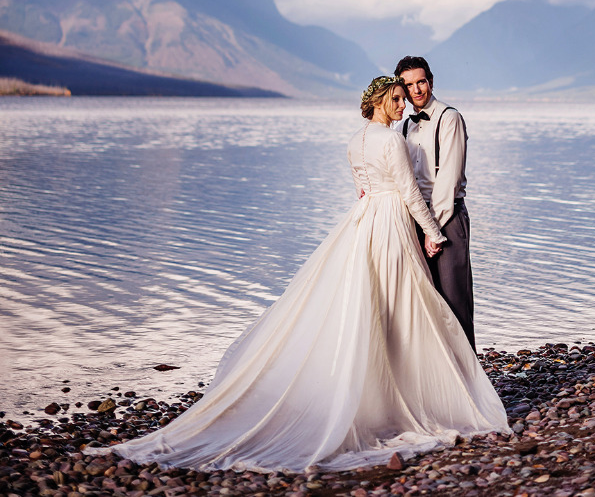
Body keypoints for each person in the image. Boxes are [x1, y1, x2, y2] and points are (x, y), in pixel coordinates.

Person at [90, 77, 508, 474]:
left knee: (371, 303)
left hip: (363, 223)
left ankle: (378, 386)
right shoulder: (394, 139)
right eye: (396, 99)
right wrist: (433, 234)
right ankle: (414, 391)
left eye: (405, 98)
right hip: (392, 224)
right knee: (403, 302)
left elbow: (360, 190)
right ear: (380, 102)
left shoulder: (353, 143)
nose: (403, 105)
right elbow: (409, 192)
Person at [394, 56, 475, 350]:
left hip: (448, 218)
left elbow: (449, 181)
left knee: (454, 301)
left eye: (421, 82)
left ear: (430, 81)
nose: (416, 90)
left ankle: (469, 383)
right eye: (408, 84)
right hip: (416, 219)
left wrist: (433, 229)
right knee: (422, 303)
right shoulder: (403, 127)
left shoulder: (449, 118)